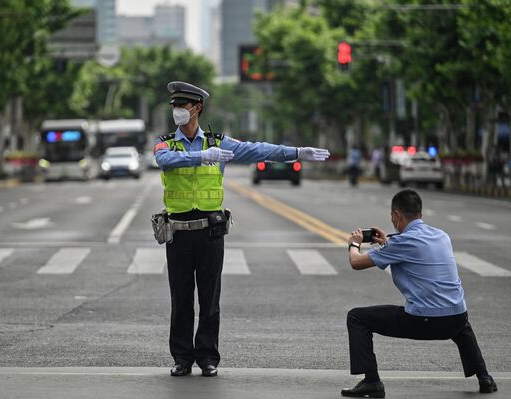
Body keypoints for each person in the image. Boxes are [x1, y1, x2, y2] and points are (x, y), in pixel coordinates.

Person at [154, 81, 330, 377]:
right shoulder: (166, 143)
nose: (177, 112)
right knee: (181, 298)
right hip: (179, 233)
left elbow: (257, 150)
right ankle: (182, 358)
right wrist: (201, 157)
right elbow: (163, 160)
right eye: (174, 107)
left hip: (210, 232)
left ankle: (208, 357)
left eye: (182, 107)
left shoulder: (219, 142)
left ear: (196, 108)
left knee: (210, 299)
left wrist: (297, 152)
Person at [342, 189, 497, 398]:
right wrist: (386, 242)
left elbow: (356, 262)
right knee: (459, 319)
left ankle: (371, 382)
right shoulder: (442, 236)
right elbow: (414, 249)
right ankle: (485, 378)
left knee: (357, 317)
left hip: (423, 321)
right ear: (420, 215)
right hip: (457, 319)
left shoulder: (401, 243)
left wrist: (354, 243)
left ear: (396, 216)